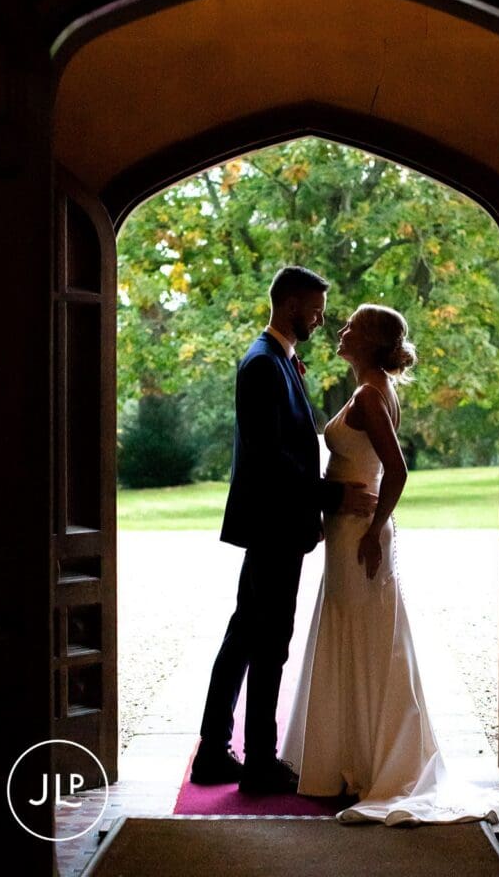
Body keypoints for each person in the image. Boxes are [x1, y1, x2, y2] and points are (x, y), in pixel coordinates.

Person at [281, 304, 499, 828]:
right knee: (359, 634)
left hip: (360, 535)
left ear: (372, 341)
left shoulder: (371, 395)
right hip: (348, 530)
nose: (342, 330)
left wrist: (375, 528)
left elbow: (397, 472)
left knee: (367, 637)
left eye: (352, 326)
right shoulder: (370, 388)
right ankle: (351, 760)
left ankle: (372, 764)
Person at [190, 267, 378, 794]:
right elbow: (271, 461)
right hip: (273, 527)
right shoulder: (263, 366)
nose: (320, 317)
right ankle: (258, 762)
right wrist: (334, 495)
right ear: (291, 302)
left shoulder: (277, 361)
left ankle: (214, 751)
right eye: (315, 307)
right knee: (266, 643)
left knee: (246, 636)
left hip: (277, 528)